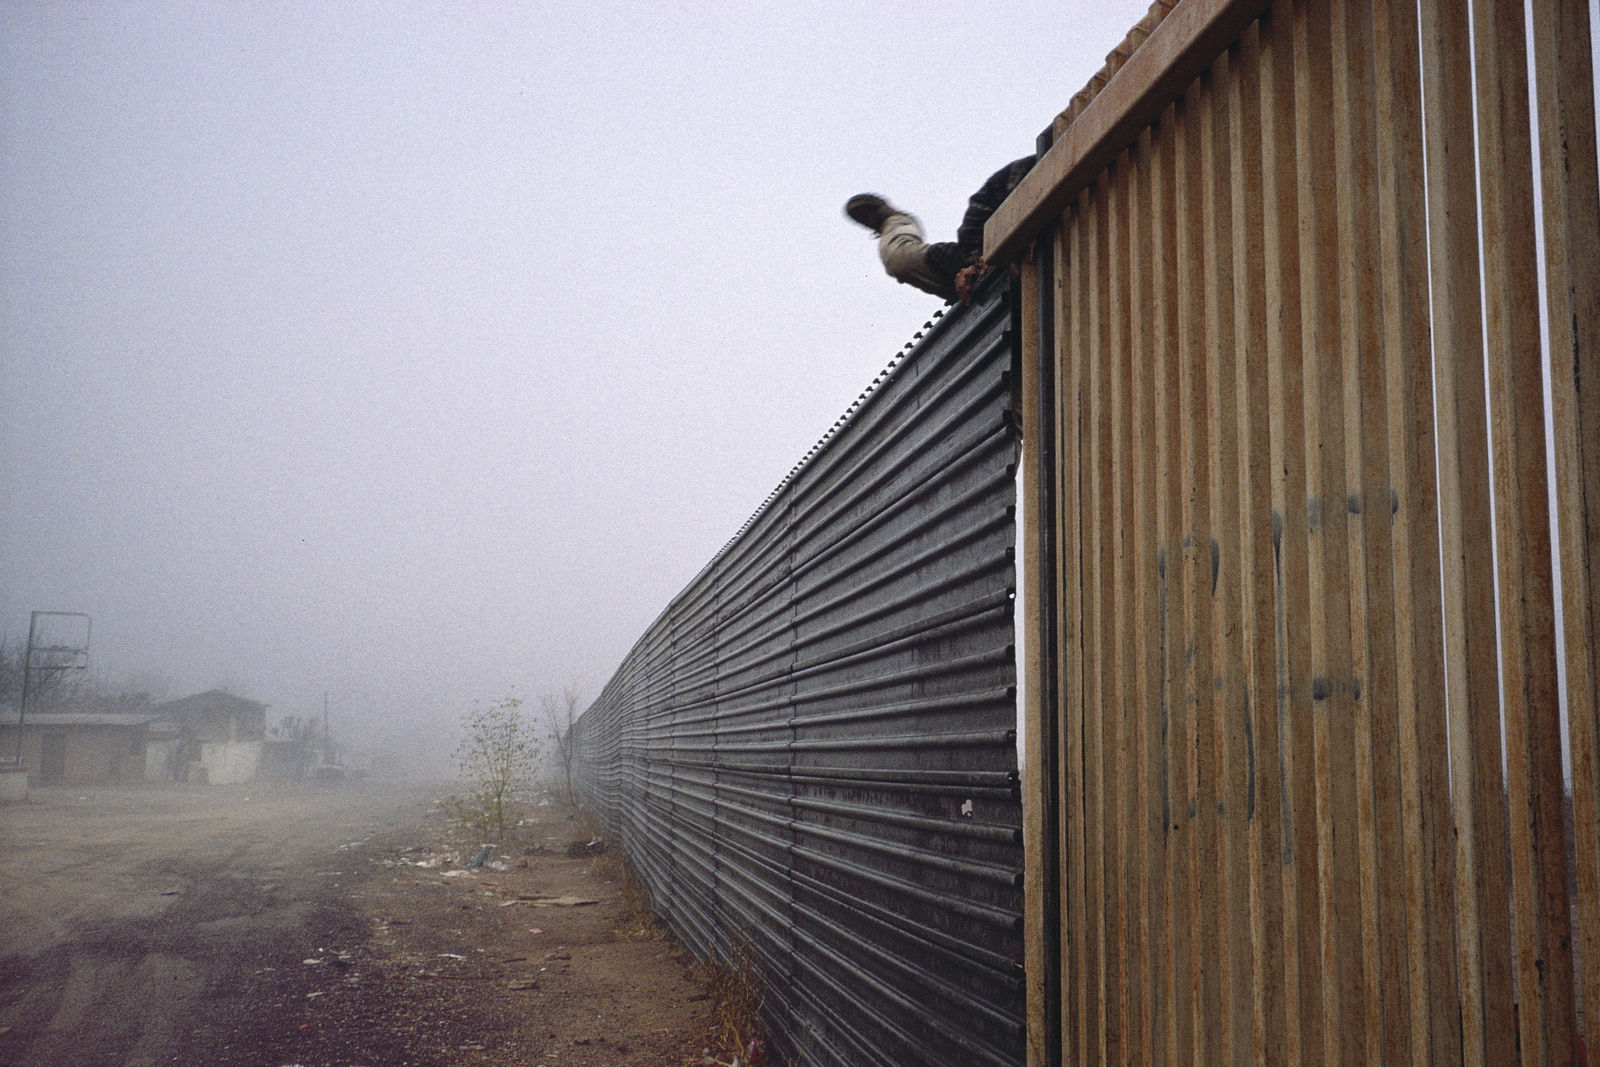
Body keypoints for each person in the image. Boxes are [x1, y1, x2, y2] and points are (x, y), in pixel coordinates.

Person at [845, 155, 1036, 304]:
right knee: (900, 258)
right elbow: (984, 202)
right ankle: (894, 221)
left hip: (1018, 281)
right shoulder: (1034, 166)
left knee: (900, 259)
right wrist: (979, 257)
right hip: (989, 262)